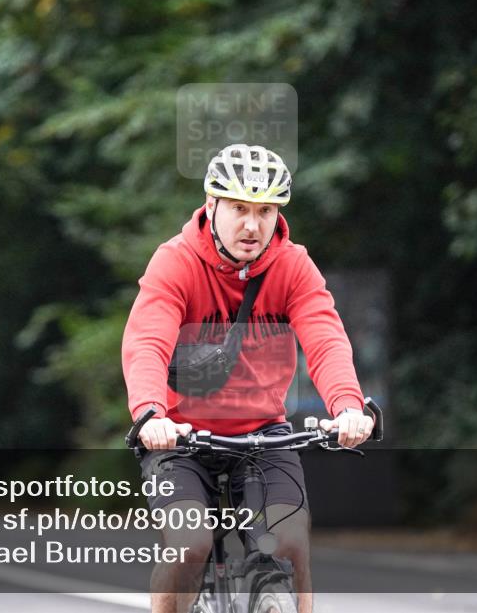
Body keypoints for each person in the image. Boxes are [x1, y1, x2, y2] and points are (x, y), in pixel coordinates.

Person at [122, 143, 376, 613]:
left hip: (263, 436)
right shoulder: (175, 262)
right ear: (212, 204)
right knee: (190, 546)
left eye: (264, 211)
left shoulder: (292, 266)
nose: (251, 225)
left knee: (291, 543)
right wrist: (150, 413)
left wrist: (347, 406)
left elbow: (325, 339)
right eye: (239, 208)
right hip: (180, 439)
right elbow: (147, 343)